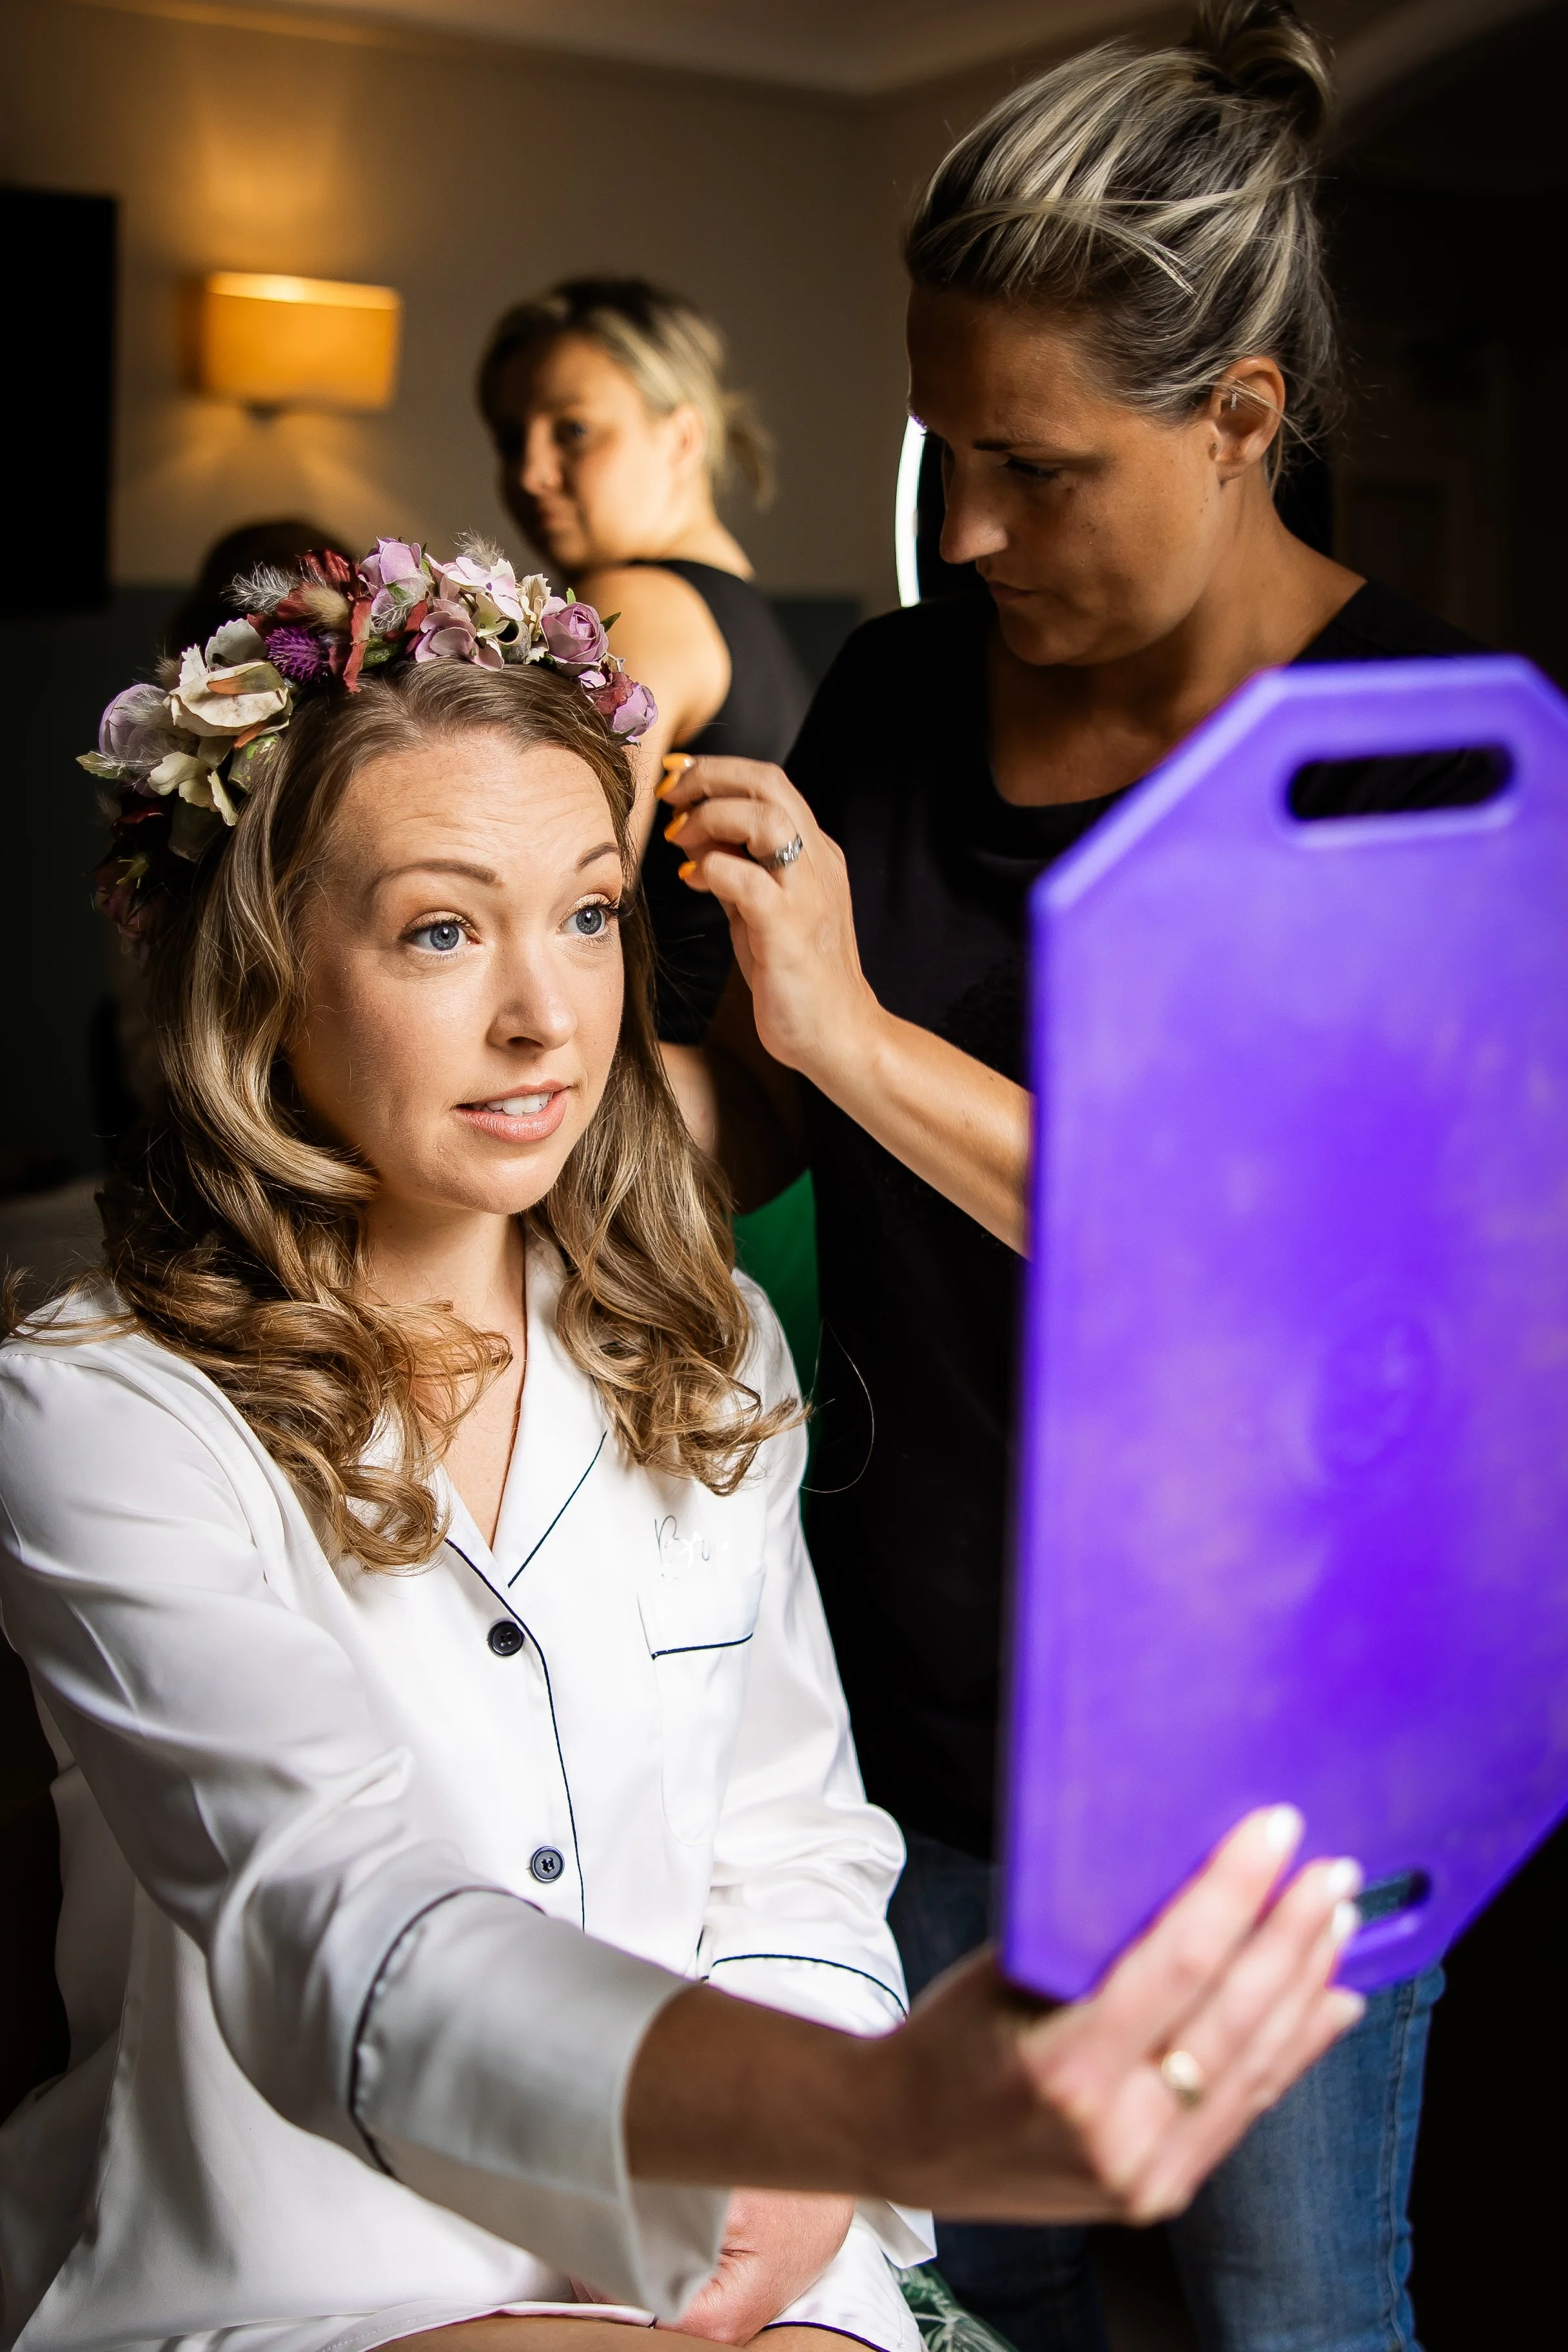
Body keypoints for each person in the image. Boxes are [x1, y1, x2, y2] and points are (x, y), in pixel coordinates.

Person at [0, 539, 1361, 2352]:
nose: (547, 1019)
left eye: (583, 915)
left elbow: (789, 1838)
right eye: (438, 928)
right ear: (259, 973)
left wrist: (801, 2188)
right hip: (300, 2281)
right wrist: (859, 2112)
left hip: (752, 2255)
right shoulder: (100, 1414)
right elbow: (329, 1917)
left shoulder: (699, 1351)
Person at [654, 6, 1476, 2347]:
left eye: (1036, 465)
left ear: (1241, 415)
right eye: (947, 455)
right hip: (922, 1716)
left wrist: (846, 1024)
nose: (975, 529)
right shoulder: (909, 690)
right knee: (929, 2303)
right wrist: (499, 1134)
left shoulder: (1410, 756)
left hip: (1284, 1771)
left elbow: (1295, 1268)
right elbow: (760, 1117)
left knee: (1286, 2312)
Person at [478, 279, 809, 1050]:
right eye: (508, 438)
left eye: (572, 431)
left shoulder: (637, 604)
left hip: (646, 1090)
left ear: (681, 438)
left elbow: (549, 884)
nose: (530, 472)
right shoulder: (736, 609)